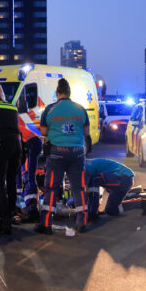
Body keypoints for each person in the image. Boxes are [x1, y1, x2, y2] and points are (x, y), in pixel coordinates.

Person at [36, 78, 90, 234]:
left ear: (57, 92)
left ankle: (46, 224)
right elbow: (86, 132)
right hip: (77, 152)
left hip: (57, 152)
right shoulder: (80, 109)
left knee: (52, 187)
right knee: (78, 188)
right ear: (69, 92)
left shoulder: (50, 109)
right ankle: (82, 222)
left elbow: (44, 132)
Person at [0, 83, 22, 235]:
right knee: (12, 180)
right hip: (16, 144)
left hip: (2, 143)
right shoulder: (12, 106)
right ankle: (11, 214)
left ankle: (5, 220)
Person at [84, 158, 135, 222]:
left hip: (123, 177)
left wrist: (90, 212)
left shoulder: (84, 168)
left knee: (94, 179)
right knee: (111, 211)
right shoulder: (86, 163)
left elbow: (89, 191)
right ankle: (141, 203)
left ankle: (93, 213)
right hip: (126, 179)